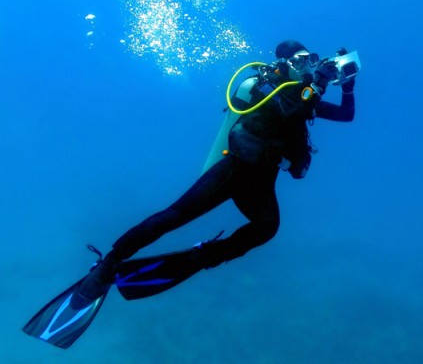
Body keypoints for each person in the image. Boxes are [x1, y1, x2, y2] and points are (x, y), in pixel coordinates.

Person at [71, 39, 356, 308]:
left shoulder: (303, 95)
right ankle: (108, 264)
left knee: (267, 227)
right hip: (233, 171)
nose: (307, 65)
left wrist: (347, 85)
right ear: (282, 63)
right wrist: (317, 83)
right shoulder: (264, 87)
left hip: (260, 181)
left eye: (311, 60)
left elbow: (345, 115)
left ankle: (204, 256)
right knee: (174, 216)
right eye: (301, 60)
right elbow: (288, 111)